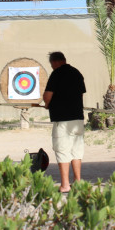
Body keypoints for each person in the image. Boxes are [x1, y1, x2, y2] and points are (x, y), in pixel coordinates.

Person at [39, 51, 86, 193]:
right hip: (78, 119)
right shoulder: (77, 73)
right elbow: (80, 94)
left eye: (51, 64)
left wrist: (47, 104)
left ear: (54, 62)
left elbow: (47, 95)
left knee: (63, 151)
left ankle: (65, 185)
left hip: (62, 120)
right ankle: (78, 182)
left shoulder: (56, 74)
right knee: (76, 152)